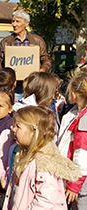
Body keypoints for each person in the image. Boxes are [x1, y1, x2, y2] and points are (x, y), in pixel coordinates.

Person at [3, 106, 80, 210]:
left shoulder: (44, 163)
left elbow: (45, 200)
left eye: (18, 126)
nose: (12, 128)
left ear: (33, 132)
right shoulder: (23, 154)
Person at [0, 10, 52, 100]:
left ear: (26, 23)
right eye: (13, 21)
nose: (14, 24)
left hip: (32, 85)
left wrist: (42, 70)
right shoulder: (6, 41)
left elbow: (46, 60)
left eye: (17, 21)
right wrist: (5, 77)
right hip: (13, 87)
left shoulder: (38, 40)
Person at [57, 74, 87, 210]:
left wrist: (74, 186)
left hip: (81, 182)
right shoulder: (74, 114)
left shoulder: (83, 120)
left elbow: (82, 155)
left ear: (74, 94)